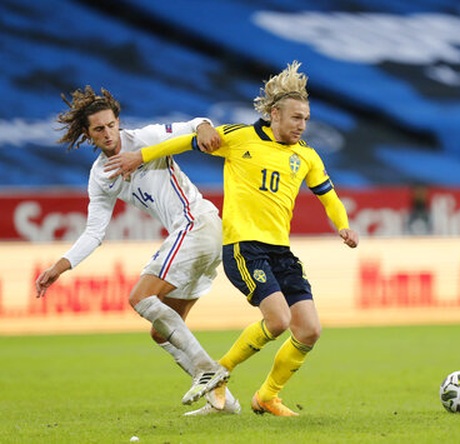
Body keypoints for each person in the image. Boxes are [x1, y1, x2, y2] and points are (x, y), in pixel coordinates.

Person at [105, 61, 360, 416]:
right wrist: (140, 155)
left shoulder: (306, 156)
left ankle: (267, 396)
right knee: (277, 321)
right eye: (296, 118)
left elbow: (328, 196)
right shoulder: (239, 137)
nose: (302, 125)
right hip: (244, 248)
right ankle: (218, 373)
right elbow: (184, 142)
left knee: (309, 330)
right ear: (274, 114)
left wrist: (343, 225)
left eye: (306, 119)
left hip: (280, 252)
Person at [35, 86, 238, 414]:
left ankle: (207, 369)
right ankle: (223, 403)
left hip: (196, 223)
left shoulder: (146, 138)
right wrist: (60, 266)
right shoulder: (101, 176)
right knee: (162, 334)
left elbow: (196, 123)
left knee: (140, 298)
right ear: (88, 135)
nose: (108, 133)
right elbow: (94, 232)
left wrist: (204, 128)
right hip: (192, 236)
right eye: (99, 129)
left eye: (111, 124)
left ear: (118, 122)